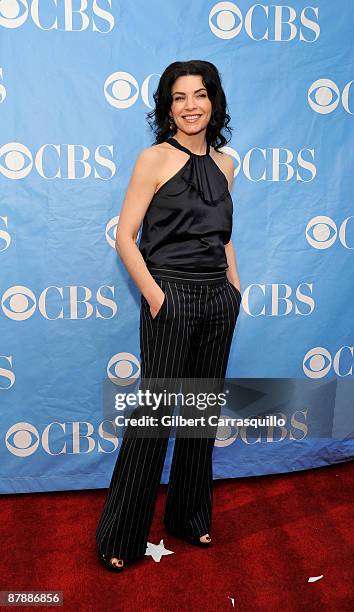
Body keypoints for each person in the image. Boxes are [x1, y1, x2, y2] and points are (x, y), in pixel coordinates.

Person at [96, 59, 242, 572]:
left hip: (217, 300)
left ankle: (188, 516)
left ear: (213, 102)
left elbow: (222, 236)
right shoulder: (154, 158)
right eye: (179, 97)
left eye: (199, 95)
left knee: (202, 413)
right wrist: (157, 297)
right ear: (167, 106)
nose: (190, 106)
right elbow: (124, 237)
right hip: (171, 296)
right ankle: (121, 536)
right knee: (158, 412)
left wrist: (234, 288)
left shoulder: (226, 164)